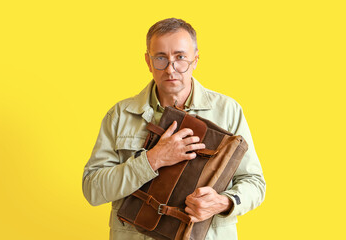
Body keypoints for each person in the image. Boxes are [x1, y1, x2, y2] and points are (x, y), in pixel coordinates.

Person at [82, 18, 266, 240]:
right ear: (148, 62)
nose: (170, 69)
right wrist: (152, 160)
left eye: (180, 57)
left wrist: (223, 202)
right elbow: (93, 189)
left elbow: (254, 182)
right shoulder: (120, 115)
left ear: (195, 59)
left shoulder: (228, 111)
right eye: (161, 58)